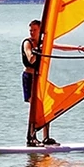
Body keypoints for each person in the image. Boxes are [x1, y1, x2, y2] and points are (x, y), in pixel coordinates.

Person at [21, 19, 58, 147]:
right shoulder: (27, 43)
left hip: (41, 77)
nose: (32, 32)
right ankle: (31, 137)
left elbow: (59, 46)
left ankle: (46, 137)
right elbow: (31, 59)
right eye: (30, 30)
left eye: (35, 30)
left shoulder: (44, 43)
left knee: (46, 106)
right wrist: (38, 50)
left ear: (40, 31)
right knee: (34, 107)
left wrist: (79, 48)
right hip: (29, 77)